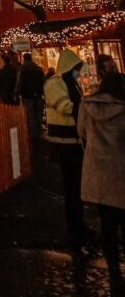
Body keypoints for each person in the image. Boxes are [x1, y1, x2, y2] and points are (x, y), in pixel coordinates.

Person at [78, 71, 125, 295]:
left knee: (107, 225)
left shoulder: (87, 105)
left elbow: (81, 132)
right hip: (120, 171)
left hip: (98, 171)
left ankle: (114, 270)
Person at [44, 48, 90, 250]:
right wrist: (85, 108)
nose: (78, 72)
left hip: (76, 141)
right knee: (71, 186)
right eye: (76, 68)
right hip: (63, 142)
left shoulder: (72, 84)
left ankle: (79, 224)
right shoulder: (54, 84)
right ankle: (74, 227)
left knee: (78, 186)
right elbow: (64, 107)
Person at [15, 53, 45, 137]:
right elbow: (43, 82)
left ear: (24, 59)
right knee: (38, 114)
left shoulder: (22, 70)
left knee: (29, 116)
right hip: (38, 96)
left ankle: (32, 134)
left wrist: (16, 94)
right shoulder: (39, 69)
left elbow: (19, 84)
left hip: (27, 96)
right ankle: (39, 132)